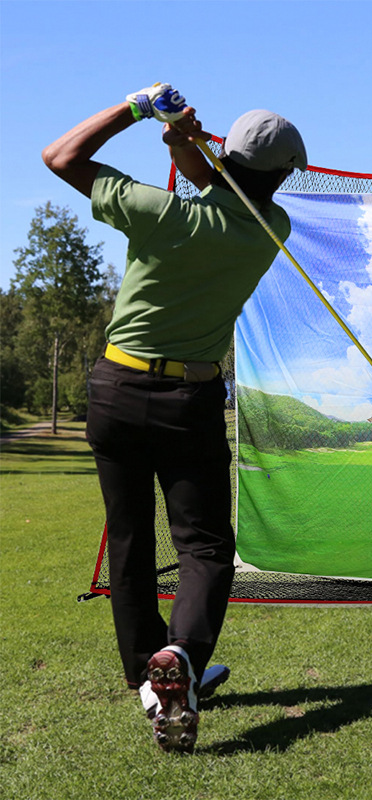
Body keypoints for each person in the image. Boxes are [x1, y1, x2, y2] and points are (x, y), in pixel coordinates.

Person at [42, 83, 307, 753]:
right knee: (205, 548)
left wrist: (137, 110)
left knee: (130, 546)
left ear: (227, 154)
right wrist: (184, 143)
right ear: (281, 176)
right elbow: (230, 190)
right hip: (189, 403)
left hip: (115, 390)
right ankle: (181, 660)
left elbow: (59, 155)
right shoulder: (273, 228)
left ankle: (149, 678)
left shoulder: (159, 214)